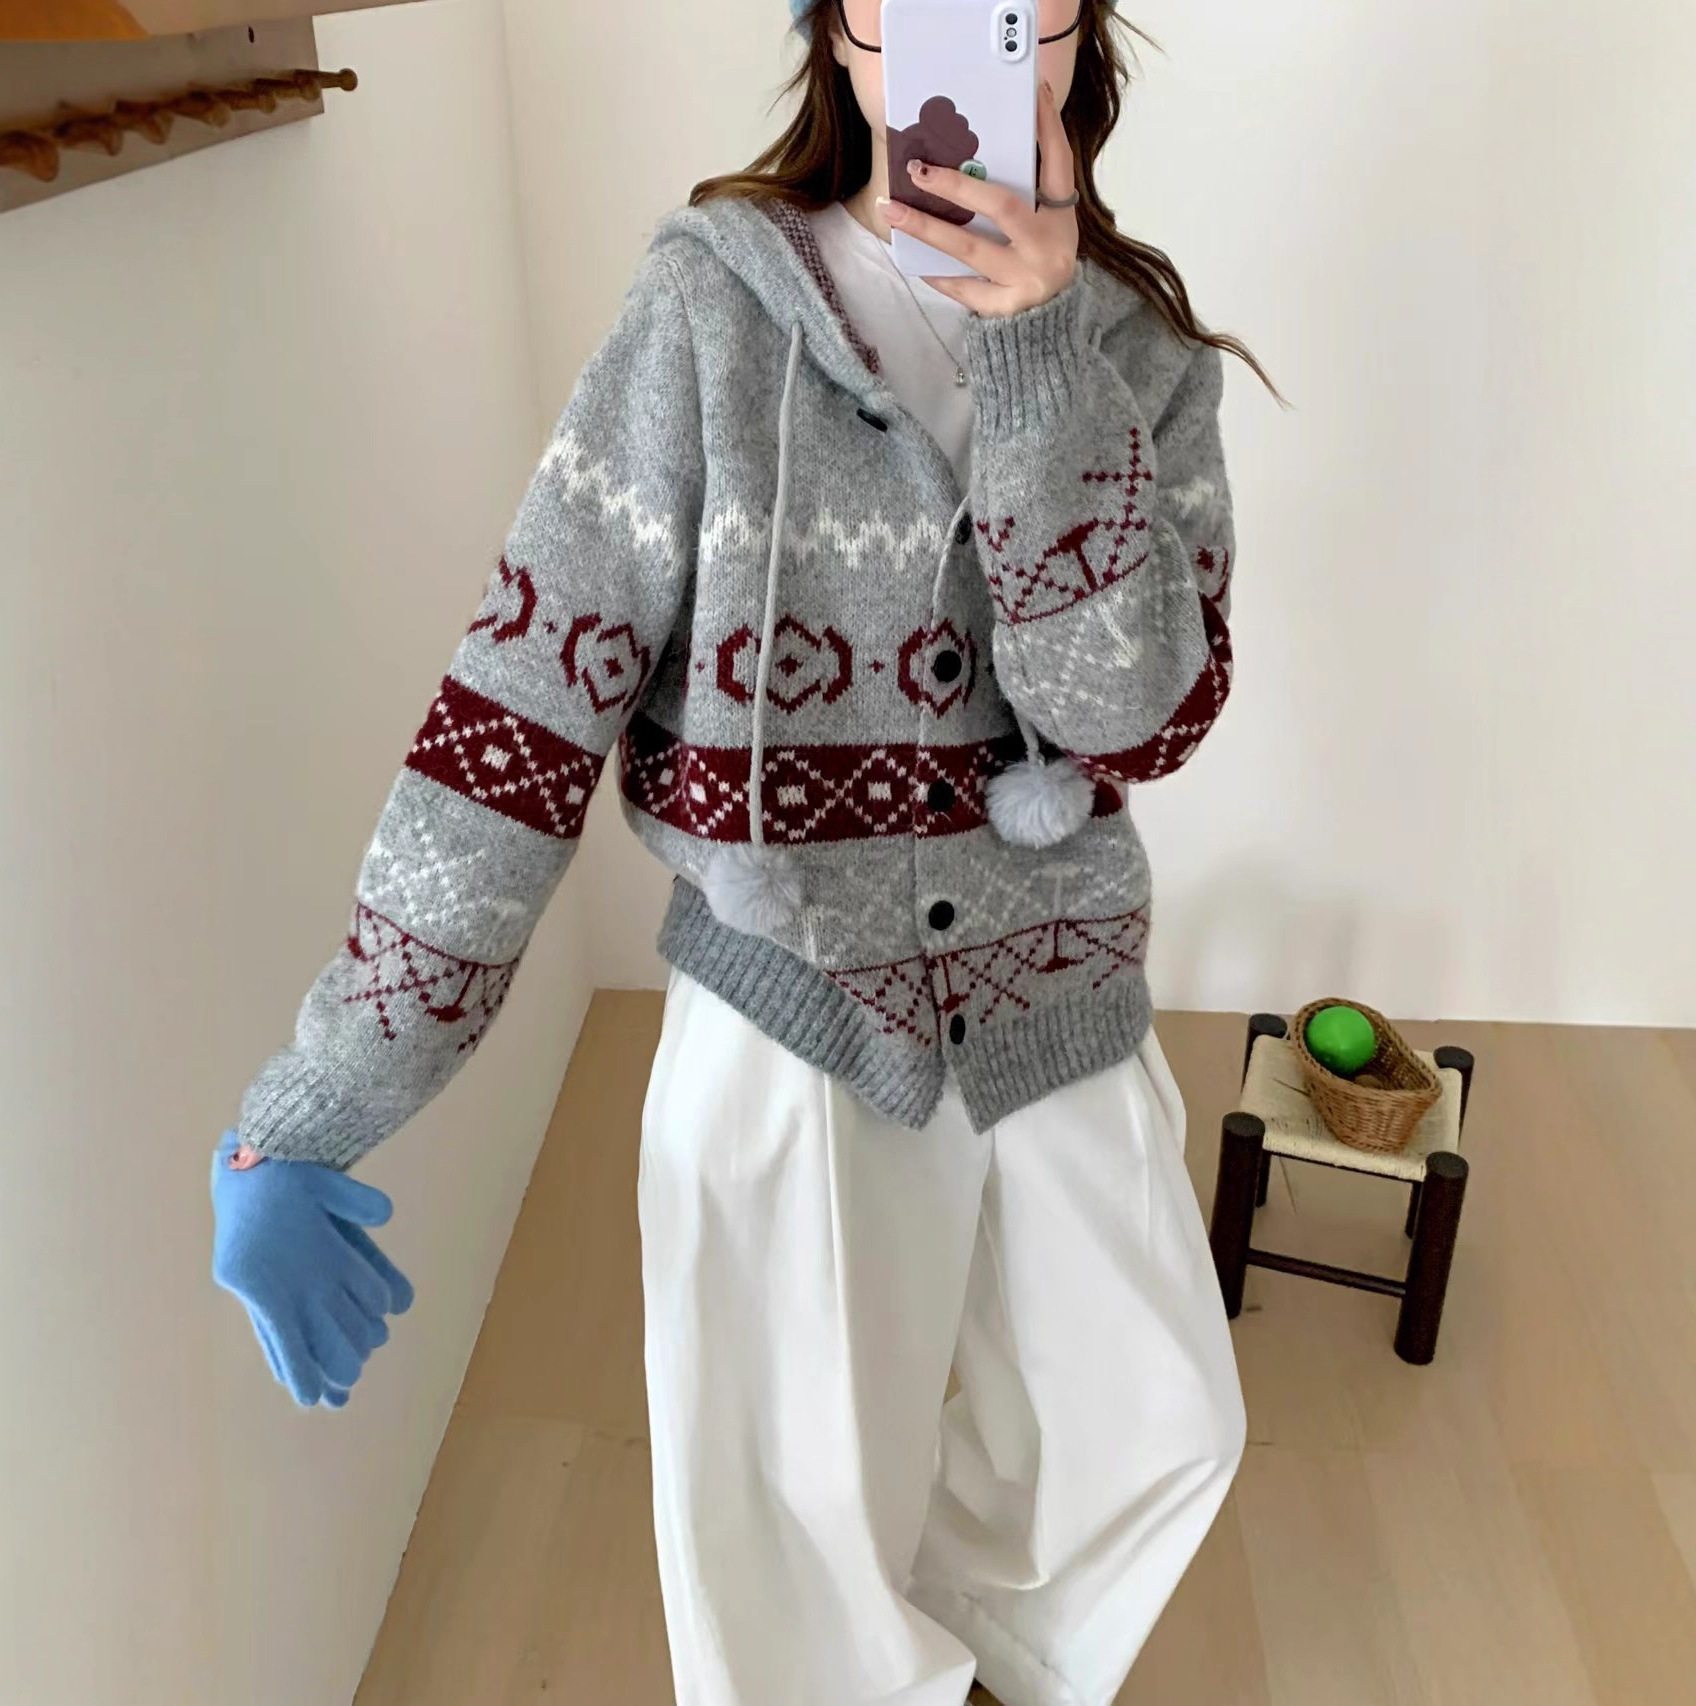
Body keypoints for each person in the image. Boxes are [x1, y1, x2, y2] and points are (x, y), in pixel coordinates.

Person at [210, 0, 1283, 1699]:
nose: (959, 32)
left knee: (1155, 1426)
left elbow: (1127, 719)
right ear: (835, 36)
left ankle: (968, 1657)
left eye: (1014, 6)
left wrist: (1035, 357)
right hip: (789, 999)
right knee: (784, 1527)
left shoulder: (1141, 351)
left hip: (1054, 979)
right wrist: (328, 1092)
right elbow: (523, 704)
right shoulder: (707, 310)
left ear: (1075, 38)